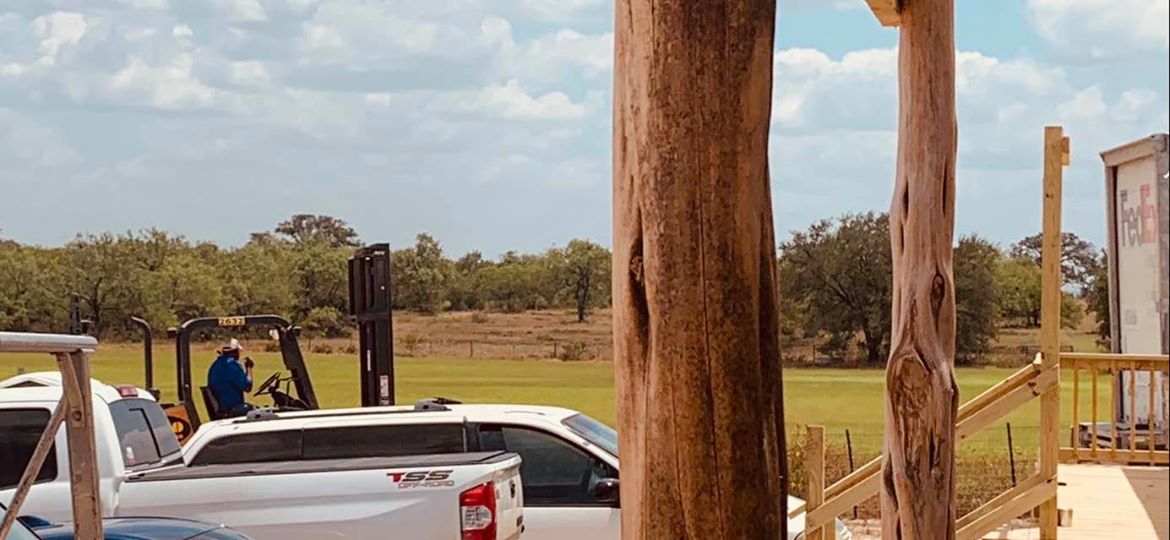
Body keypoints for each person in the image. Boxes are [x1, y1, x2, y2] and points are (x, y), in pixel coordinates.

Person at [206, 338, 255, 418]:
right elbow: (247, 387)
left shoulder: (215, 365)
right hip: (231, 408)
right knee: (257, 412)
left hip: (221, 407)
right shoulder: (233, 366)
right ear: (235, 352)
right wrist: (248, 367)